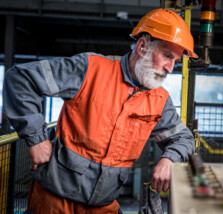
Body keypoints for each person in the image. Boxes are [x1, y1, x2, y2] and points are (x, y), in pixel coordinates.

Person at [3, 8, 198, 214]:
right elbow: (20, 80)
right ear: (142, 46)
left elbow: (184, 139)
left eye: (175, 61)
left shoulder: (160, 100)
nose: (170, 68)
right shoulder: (90, 69)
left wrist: (169, 160)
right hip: (54, 199)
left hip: (102, 205)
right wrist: (37, 140)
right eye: (167, 56)